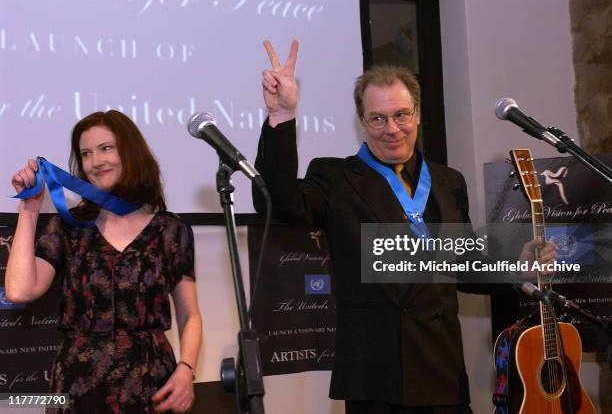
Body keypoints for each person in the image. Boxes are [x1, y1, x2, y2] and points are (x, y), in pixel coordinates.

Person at [253, 40, 556, 414]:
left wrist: (515, 262)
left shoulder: (447, 181)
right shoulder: (335, 177)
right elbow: (277, 203)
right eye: (377, 118)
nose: (391, 129)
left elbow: (462, 265)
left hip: (442, 369)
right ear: (362, 122)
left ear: (417, 115)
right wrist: (282, 117)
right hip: (375, 374)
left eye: (401, 115)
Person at [6, 110, 202, 413]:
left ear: (130, 152)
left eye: (106, 148)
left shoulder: (171, 230)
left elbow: (190, 315)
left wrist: (186, 369)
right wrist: (29, 208)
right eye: (86, 153)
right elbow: (20, 291)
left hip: (151, 384)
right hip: (77, 386)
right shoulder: (68, 227)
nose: (96, 161)